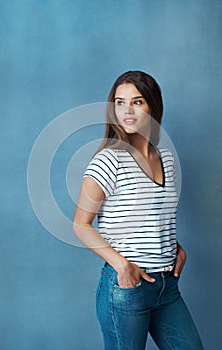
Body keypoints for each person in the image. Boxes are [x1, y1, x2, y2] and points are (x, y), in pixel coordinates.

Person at [73, 71, 204, 350]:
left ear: (153, 107)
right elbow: (80, 224)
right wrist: (122, 265)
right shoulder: (109, 160)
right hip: (127, 287)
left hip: (167, 287)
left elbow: (155, 217)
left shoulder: (166, 159)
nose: (127, 111)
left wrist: (176, 247)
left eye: (138, 102)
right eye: (120, 102)